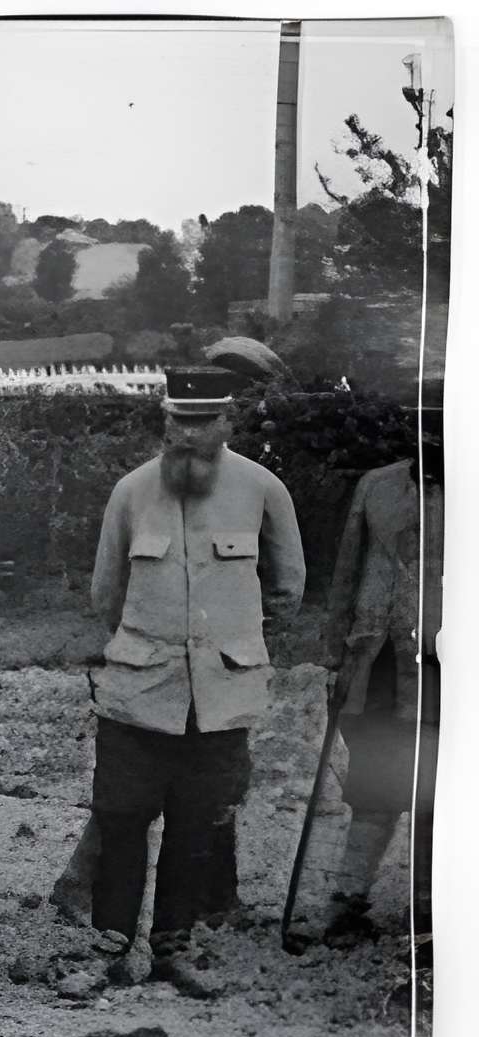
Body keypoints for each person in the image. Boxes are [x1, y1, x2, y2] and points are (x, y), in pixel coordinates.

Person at [58, 365, 306, 1000]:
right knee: (121, 818)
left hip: (220, 698)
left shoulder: (263, 489)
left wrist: (234, 646)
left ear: (228, 422)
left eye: (204, 422)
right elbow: (107, 592)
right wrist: (150, 646)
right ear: (166, 421)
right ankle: (110, 948)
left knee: (198, 824)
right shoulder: (131, 492)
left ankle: (175, 947)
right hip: (139, 694)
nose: (190, 434)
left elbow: (287, 588)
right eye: (180, 421)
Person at [318, 390, 442, 943]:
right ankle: (349, 900)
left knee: (443, 785)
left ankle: (431, 909)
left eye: (443, 426)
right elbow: (347, 571)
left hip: (448, 666)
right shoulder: (377, 486)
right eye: (423, 425)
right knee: (374, 780)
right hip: (378, 662)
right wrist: (334, 654)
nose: (432, 438)